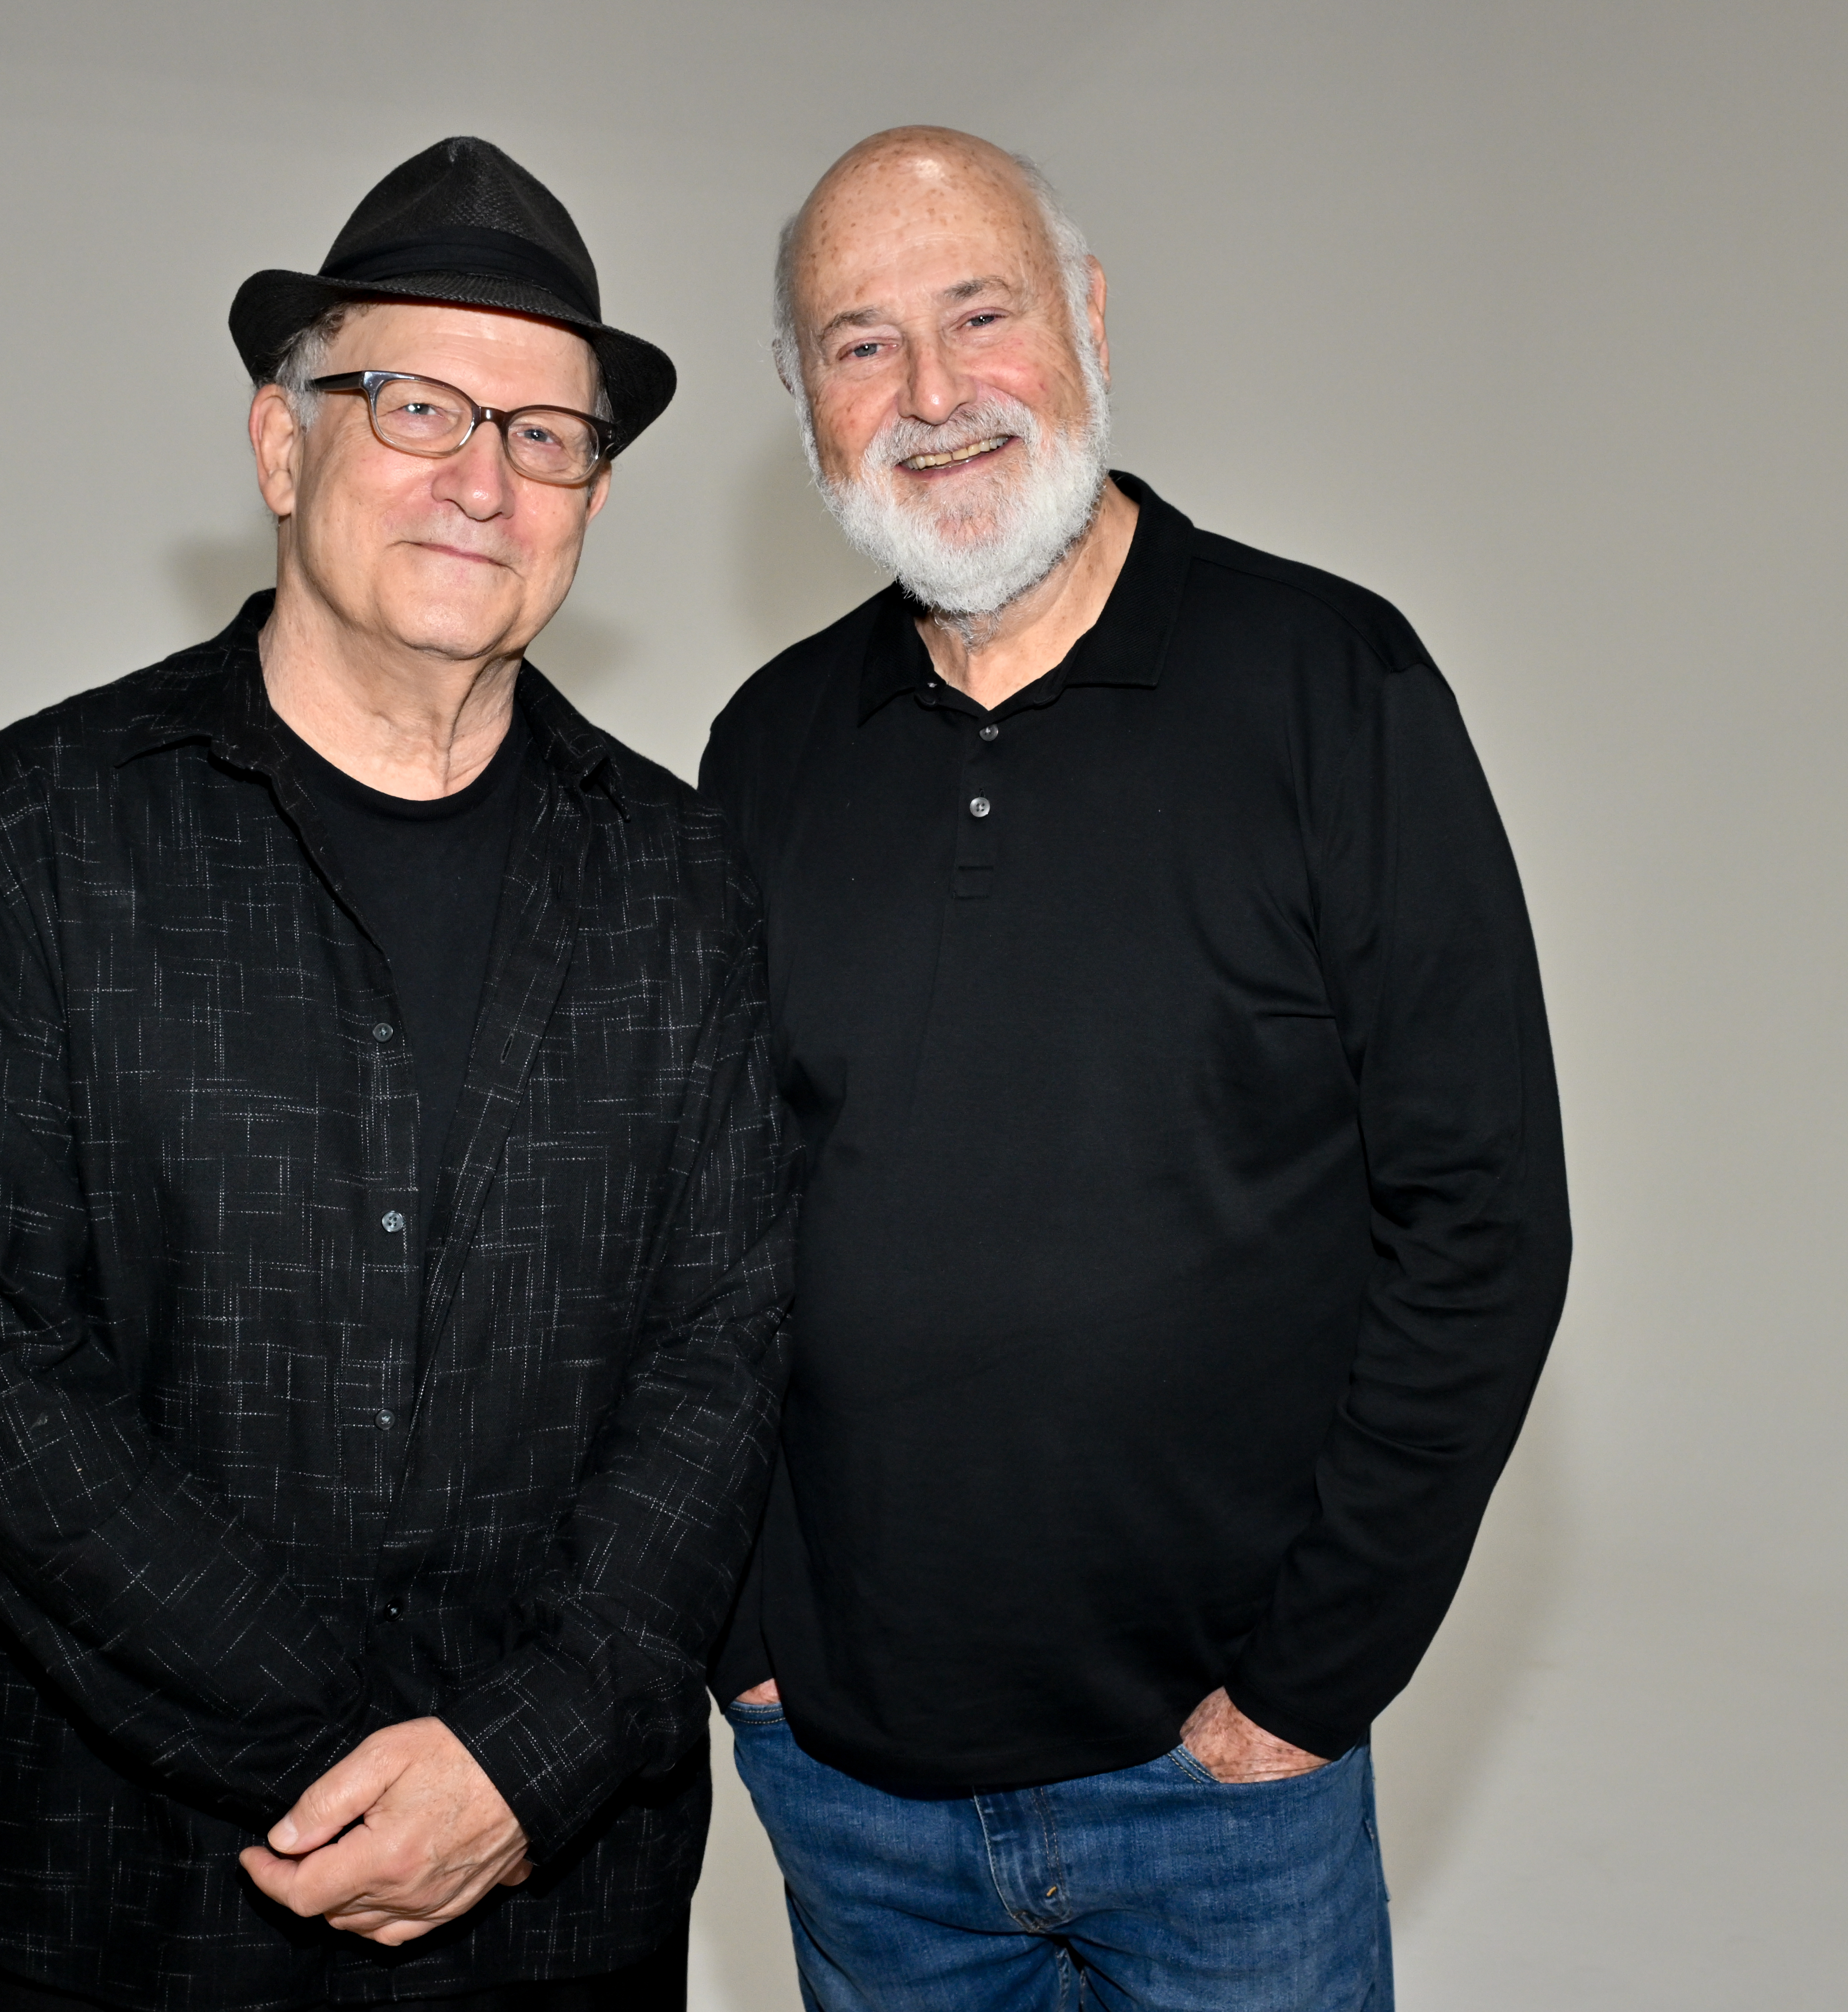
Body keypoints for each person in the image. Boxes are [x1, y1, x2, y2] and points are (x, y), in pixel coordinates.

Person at [0, 136, 792, 2012]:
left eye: (548, 434)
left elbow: (723, 1361)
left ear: (591, 502)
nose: (484, 477)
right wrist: (383, 1749)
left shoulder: (687, 880)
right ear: (282, 444)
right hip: (131, 1900)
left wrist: (519, 1766)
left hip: (563, 1911)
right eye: (418, 403)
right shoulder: (41, 833)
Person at [700, 127, 1571, 2010]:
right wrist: (749, 1644)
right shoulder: (767, 752)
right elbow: (703, 1238)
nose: (930, 396)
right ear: (802, 401)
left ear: (1086, 320)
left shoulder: (1332, 685)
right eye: (856, 344)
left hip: (1222, 1787)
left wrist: (1298, 1693)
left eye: (978, 313)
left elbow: (1482, 1218)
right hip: (854, 1787)